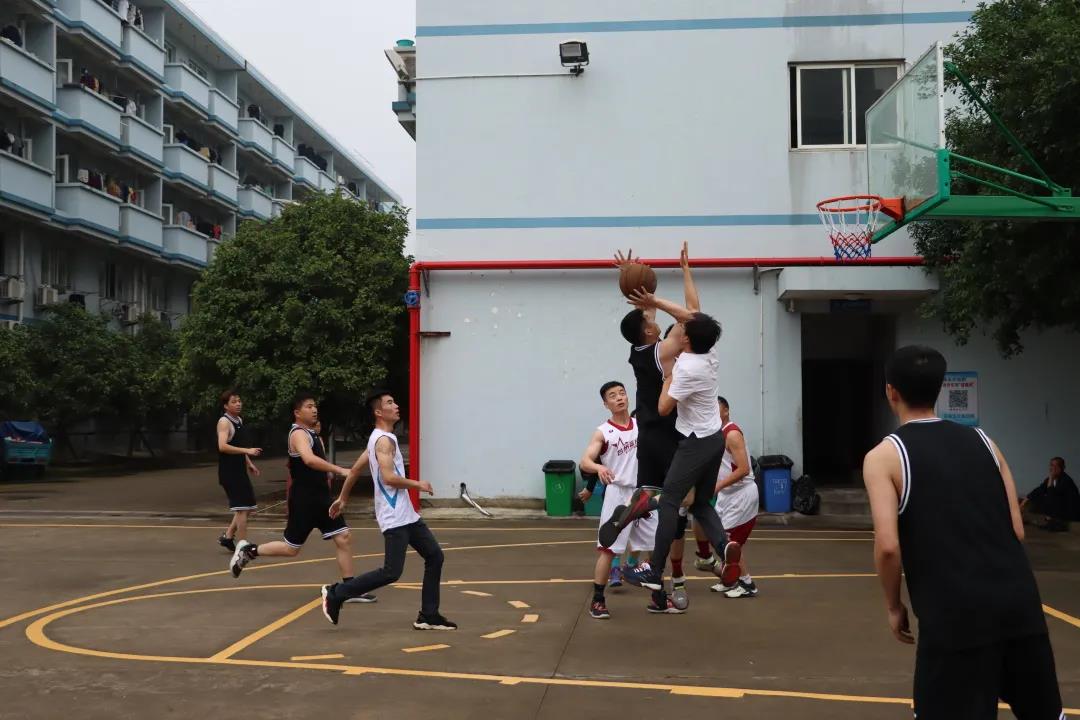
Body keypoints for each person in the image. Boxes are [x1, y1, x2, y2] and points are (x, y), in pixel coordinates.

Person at [862, 346, 1063, 718]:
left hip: (955, 617)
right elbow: (1016, 529)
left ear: (891, 392)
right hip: (1019, 605)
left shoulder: (884, 456)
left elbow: (888, 546)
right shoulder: (986, 442)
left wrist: (894, 606)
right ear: (939, 390)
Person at [617, 299, 742, 599]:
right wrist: (665, 288)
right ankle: (724, 546)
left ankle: (654, 570)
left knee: (671, 501)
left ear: (687, 339)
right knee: (700, 503)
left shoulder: (682, 367)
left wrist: (670, 379)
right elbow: (694, 313)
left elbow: (662, 408)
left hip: (695, 441)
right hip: (715, 439)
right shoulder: (710, 354)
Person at [602, 243, 700, 612]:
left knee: (667, 510)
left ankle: (660, 592)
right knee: (680, 506)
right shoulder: (663, 351)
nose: (653, 319)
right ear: (648, 332)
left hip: (649, 437)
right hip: (670, 434)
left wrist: (632, 280)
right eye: (649, 321)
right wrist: (676, 280)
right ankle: (645, 510)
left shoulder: (638, 351)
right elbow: (692, 315)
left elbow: (648, 312)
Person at [321, 391, 456, 630]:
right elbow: (388, 477)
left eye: (395, 401)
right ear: (378, 412)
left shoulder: (377, 439)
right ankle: (337, 593)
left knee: (435, 556)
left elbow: (353, 471)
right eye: (390, 403)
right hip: (394, 517)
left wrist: (343, 498)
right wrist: (418, 484)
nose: (396, 406)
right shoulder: (384, 441)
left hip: (407, 516)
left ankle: (428, 615)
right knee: (391, 572)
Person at [229, 394, 357, 590]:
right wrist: (339, 470)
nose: (314, 409)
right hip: (304, 500)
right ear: (297, 412)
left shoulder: (313, 433)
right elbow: (309, 460)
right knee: (291, 549)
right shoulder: (298, 434)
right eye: (309, 406)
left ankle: (350, 589)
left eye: (315, 406)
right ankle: (250, 550)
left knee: (343, 537)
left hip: (322, 497)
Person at [580, 381, 658, 618]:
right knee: (608, 548)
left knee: (656, 545)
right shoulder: (603, 431)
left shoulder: (641, 425)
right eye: (613, 396)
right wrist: (598, 468)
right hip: (618, 494)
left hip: (642, 492)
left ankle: (658, 597)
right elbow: (585, 461)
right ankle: (598, 600)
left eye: (622, 393)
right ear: (606, 404)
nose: (619, 398)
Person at [708, 397, 759, 598]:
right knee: (720, 539)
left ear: (726, 410)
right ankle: (730, 579)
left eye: (715, 408)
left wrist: (717, 486)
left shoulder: (732, 433)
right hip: (726, 495)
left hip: (741, 494)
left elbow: (744, 469)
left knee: (730, 544)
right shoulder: (714, 434)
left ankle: (747, 584)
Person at [216, 390, 261, 552]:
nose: (238, 404)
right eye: (234, 401)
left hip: (239, 470)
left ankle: (228, 537)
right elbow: (222, 446)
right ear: (226, 406)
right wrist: (247, 451)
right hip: (229, 472)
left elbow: (238, 447)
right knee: (242, 509)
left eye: (239, 400)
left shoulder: (239, 420)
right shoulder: (224, 422)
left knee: (246, 507)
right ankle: (243, 545)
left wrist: (249, 462)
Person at [1021, 457, 1078, 532]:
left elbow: (1052, 495)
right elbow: (1039, 490)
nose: (1053, 468)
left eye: (1056, 466)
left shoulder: (1066, 481)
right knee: (1037, 498)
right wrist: (1025, 500)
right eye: (1051, 465)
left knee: (1048, 498)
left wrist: (1051, 478)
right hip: (1058, 510)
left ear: (1062, 468)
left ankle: (1054, 523)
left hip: (1069, 513)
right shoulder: (1050, 479)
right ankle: (1049, 521)